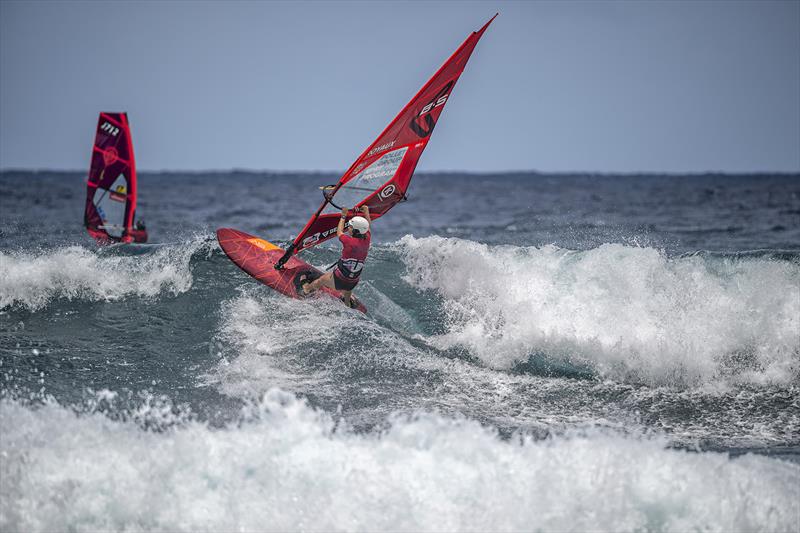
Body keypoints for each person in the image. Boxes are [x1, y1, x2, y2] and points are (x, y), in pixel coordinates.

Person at [302, 205, 371, 308]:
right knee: (349, 282)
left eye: (350, 227)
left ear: (356, 231)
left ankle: (307, 288)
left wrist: (343, 216)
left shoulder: (348, 241)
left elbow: (339, 231)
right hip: (354, 281)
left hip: (339, 280)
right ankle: (347, 301)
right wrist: (366, 211)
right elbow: (368, 225)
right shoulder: (367, 239)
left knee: (321, 280)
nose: (348, 228)